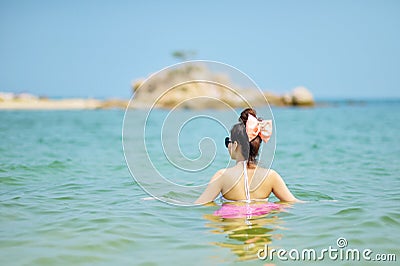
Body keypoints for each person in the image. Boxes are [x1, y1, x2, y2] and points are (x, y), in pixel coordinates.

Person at [195, 108, 300, 204]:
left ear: (235, 145)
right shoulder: (271, 176)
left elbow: (199, 204)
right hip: (261, 221)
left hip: (235, 223)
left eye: (228, 141)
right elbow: (293, 202)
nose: (227, 145)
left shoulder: (222, 176)